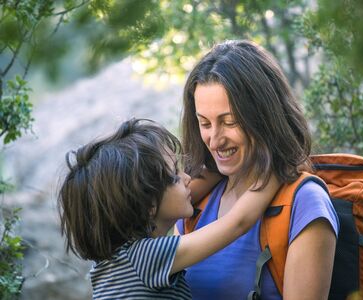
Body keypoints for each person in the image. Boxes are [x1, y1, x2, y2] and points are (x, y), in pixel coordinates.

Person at [176, 40, 340, 300]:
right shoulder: (193, 204)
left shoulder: (304, 202)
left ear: (264, 116)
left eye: (229, 122)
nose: (215, 140)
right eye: (204, 123)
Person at [57, 118, 280, 299]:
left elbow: (200, 180)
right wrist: (279, 168)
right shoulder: (146, 257)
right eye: (174, 175)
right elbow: (237, 223)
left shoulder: (116, 263)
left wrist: (230, 161)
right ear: (148, 205)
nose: (186, 178)